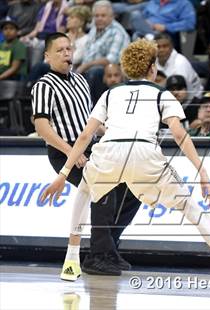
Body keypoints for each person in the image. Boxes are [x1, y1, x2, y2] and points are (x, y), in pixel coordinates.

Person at [41, 38, 210, 292]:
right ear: (153, 68)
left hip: (109, 150)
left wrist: (63, 173)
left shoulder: (110, 93)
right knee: (191, 209)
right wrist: (202, 171)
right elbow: (179, 134)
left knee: (85, 189)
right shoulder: (161, 93)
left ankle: (71, 259)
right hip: (144, 151)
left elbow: (85, 135)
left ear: (126, 68)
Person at [31, 32, 140, 280]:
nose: (66, 53)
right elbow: (42, 128)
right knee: (103, 190)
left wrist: (113, 130)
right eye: (59, 50)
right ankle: (97, 257)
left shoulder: (81, 80)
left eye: (69, 49)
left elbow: (90, 119)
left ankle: (108, 249)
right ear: (47, 56)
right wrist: (71, 152)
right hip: (64, 150)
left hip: (92, 147)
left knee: (133, 189)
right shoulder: (44, 85)